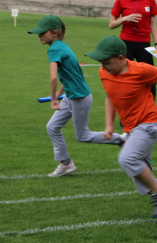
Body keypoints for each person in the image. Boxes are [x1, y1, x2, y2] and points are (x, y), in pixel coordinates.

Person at [86, 35, 157, 223]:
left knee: (127, 159)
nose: (104, 67)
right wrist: (108, 125)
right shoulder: (104, 73)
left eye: (107, 62)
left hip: (149, 124)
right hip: (132, 129)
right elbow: (110, 97)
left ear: (121, 58)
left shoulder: (140, 70)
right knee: (141, 173)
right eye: (101, 62)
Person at [28, 15, 124, 177]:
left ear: (54, 32)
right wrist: (59, 93)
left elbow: (53, 77)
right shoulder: (62, 47)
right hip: (71, 95)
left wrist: (53, 99)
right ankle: (66, 163)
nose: (39, 36)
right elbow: (69, 75)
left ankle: (121, 139)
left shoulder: (55, 49)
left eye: (42, 33)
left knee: (83, 135)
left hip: (79, 97)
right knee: (52, 127)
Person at [109, 0, 157, 99]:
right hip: (126, 43)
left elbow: (152, 24)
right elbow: (111, 24)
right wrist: (125, 18)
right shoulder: (121, 0)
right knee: (125, 76)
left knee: (150, 77)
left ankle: (150, 109)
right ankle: (126, 107)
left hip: (144, 43)